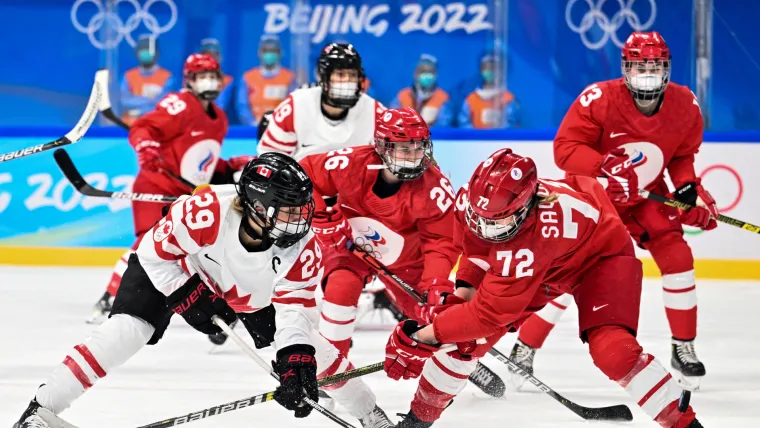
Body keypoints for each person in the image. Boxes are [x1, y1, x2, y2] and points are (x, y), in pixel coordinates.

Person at [14, 154, 394, 428]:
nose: (299, 220)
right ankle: (40, 410)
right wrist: (188, 296)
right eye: (287, 210)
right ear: (259, 207)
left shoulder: (302, 245)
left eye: (300, 209)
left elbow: (295, 307)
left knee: (317, 350)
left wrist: (295, 358)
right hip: (172, 270)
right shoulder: (207, 210)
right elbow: (153, 253)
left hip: (244, 291)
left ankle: (369, 414)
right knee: (125, 332)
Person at [382, 148, 704, 428]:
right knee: (463, 342)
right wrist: (455, 302)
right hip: (549, 263)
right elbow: (477, 248)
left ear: (525, 208)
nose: (486, 227)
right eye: (481, 218)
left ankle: (685, 424)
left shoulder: (534, 239)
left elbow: (487, 314)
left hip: (601, 258)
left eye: (498, 223)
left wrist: (424, 335)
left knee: (614, 352)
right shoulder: (477, 204)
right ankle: (415, 422)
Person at [511, 31, 716, 391]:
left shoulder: (686, 103)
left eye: (654, 67)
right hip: (594, 199)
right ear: (625, 68)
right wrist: (605, 164)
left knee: (678, 258)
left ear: (667, 69)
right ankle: (525, 346)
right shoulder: (599, 98)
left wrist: (688, 188)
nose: (648, 75)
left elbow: (682, 154)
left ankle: (683, 346)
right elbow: (565, 148)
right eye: (640, 67)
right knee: (567, 273)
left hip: (645, 197)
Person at [87, 53, 254, 324]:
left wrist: (225, 166)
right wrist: (146, 146)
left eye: (213, 76)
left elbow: (199, 161)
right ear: (190, 80)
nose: (208, 81)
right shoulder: (179, 104)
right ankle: (110, 297)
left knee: (185, 249)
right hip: (156, 184)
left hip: (184, 195)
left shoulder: (220, 118)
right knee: (147, 244)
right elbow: (143, 128)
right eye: (202, 76)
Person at [258, 42, 385, 160]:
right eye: (340, 75)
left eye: (352, 75)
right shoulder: (295, 106)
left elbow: (388, 166)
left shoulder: (376, 112)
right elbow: (271, 160)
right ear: (323, 78)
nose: (347, 81)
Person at [237, 35, 295, 126]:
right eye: (266, 51)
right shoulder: (248, 77)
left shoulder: (289, 78)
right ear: (259, 53)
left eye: (273, 51)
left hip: (280, 128)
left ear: (280, 53)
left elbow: (292, 106)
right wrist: (252, 123)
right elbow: (242, 106)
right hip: (254, 128)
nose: (269, 54)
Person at [119, 35, 174, 126]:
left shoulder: (167, 77)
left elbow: (163, 103)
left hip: (158, 126)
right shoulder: (128, 76)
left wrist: (138, 106)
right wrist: (150, 102)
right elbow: (125, 101)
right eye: (143, 50)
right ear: (137, 53)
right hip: (129, 127)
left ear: (157, 53)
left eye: (149, 50)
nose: (146, 53)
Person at [457, 53, 520, 129]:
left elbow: (511, 124)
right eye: (486, 68)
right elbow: (464, 123)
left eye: (493, 68)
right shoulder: (471, 100)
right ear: (481, 70)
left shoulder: (508, 99)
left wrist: (496, 137)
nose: (489, 71)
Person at [390, 54, 453, 126]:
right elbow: (393, 122)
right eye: (422, 71)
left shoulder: (443, 98)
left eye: (430, 72)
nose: (426, 75)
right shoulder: (402, 96)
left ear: (436, 75)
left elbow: (444, 126)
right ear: (415, 74)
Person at [200, 38, 234, 112]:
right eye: (206, 55)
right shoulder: (192, 79)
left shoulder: (227, 81)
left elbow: (220, 105)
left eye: (214, 55)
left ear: (220, 58)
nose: (210, 59)